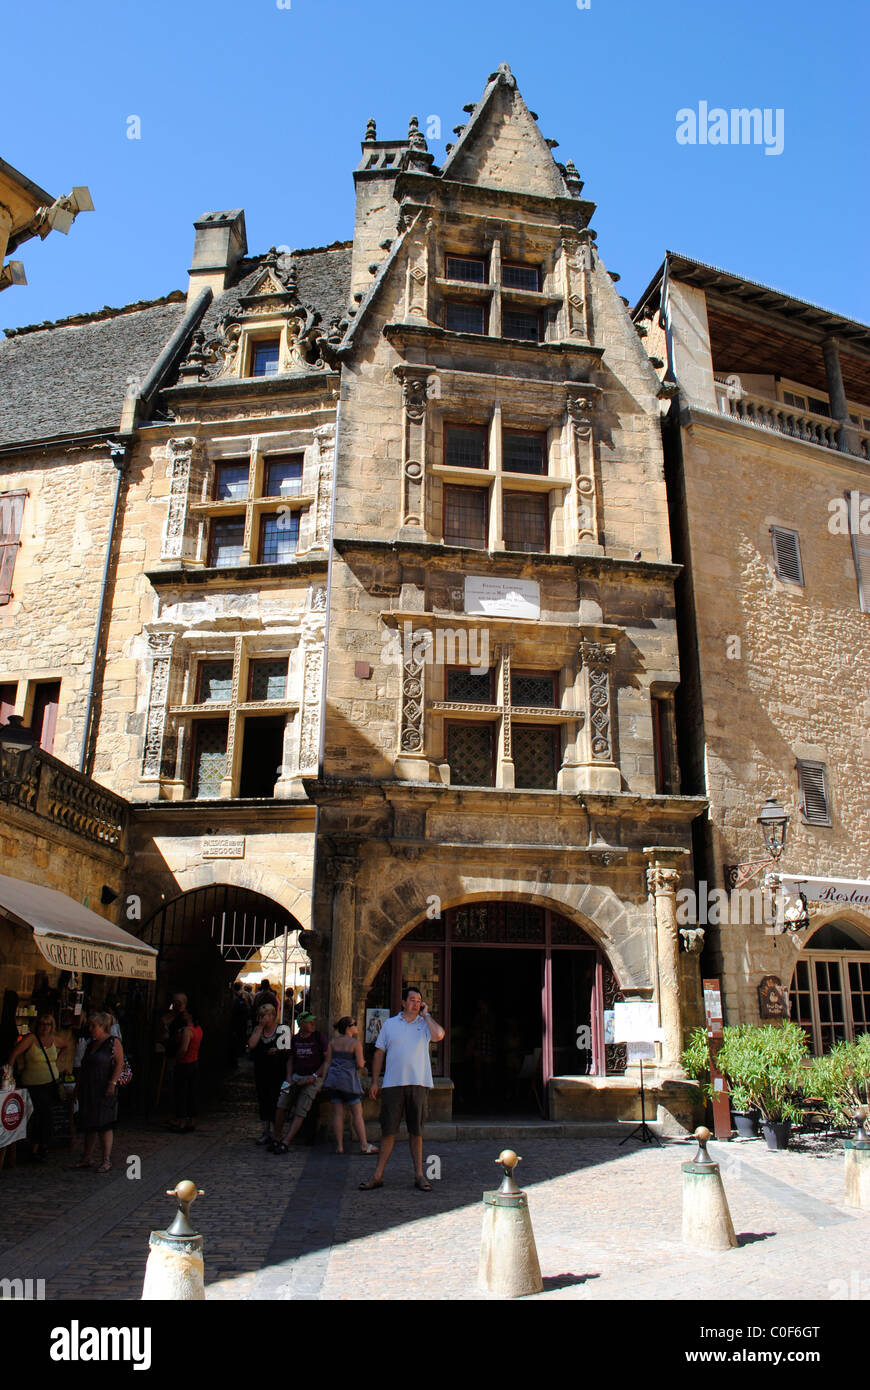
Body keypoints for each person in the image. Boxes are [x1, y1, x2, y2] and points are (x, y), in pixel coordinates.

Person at [359, 986, 444, 1192]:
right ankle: (378, 1175)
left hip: (418, 1083)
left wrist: (427, 1015)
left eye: (419, 1000)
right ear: (403, 1003)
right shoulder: (390, 1024)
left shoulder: (424, 1025)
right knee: (388, 1130)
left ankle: (419, 1174)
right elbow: (379, 1053)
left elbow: (439, 1035)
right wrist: (375, 1081)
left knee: (416, 1131)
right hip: (393, 1084)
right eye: (412, 1000)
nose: (416, 1003)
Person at [7, 1013, 67, 1160]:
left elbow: (66, 1045)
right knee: (40, 1114)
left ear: (52, 1026)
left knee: (46, 1115)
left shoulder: (54, 1039)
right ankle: (37, 1147)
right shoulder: (31, 1039)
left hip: (50, 1083)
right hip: (34, 1084)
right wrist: (8, 1072)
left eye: (48, 1024)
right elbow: (14, 1053)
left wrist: (57, 1062)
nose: (45, 1027)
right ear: (37, 1025)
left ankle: (41, 1146)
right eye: (42, 1024)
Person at [72, 1012, 123, 1173]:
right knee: (89, 1122)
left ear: (102, 1027)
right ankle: (87, 1156)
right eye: (90, 1025)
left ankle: (106, 1159)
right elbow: (83, 1068)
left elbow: (119, 1064)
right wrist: (77, 1087)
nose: (91, 1029)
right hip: (89, 1087)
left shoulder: (113, 1043)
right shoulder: (90, 1044)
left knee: (104, 1123)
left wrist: (112, 1083)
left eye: (94, 1026)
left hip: (104, 1086)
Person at [270, 1012, 329, 1153]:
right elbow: (290, 1059)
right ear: (301, 1024)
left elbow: (327, 1060)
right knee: (281, 1104)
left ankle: (286, 1141)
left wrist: (316, 1076)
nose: (313, 1024)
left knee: (301, 1109)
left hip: (313, 1078)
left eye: (313, 1021)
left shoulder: (319, 1038)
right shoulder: (295, 1039)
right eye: (309, 1022)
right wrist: (289, 1077)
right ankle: (276, 1137)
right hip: (295, 1076)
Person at [321, 1017, 378, 1155]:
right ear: (348, 1027)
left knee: (337, 1114)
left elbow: (327, 1063)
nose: (357, 1026)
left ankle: (339, 1146)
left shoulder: (333, 1042)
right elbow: (360, 1064)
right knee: (357, 1114)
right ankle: (364, 1145)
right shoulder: (355, 1043)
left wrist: (323, 1081)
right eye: (355, 1024)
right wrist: (362, 1062)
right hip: (349, 1082)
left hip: (334, 1081)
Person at [247, 1003, 285, 1145]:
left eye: (264, 1016)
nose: (261, 1018)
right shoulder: (258, 1030)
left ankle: (277, 1132)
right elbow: (251, 1044)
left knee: (277, 1101)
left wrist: (278, 1051)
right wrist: (260, 1028)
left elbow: (288, 1051)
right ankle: (266, 1131)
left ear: (272, 1016)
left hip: (278, 1073)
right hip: (261, 1072)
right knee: (263, 1100)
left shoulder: (283, 1030)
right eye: (260, 1016)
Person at [167, 1006, 202, 1132]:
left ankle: (181, 1120)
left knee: (181, 1092)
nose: (184, 1014)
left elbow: (184, 1048)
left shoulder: (188, 1030)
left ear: (190, 1015)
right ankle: (191, 1120)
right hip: (194, 1062)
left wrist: (177, 1058)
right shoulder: (199, 1029)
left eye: (186, 1012)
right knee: (192, 1092)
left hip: (185, 1063)